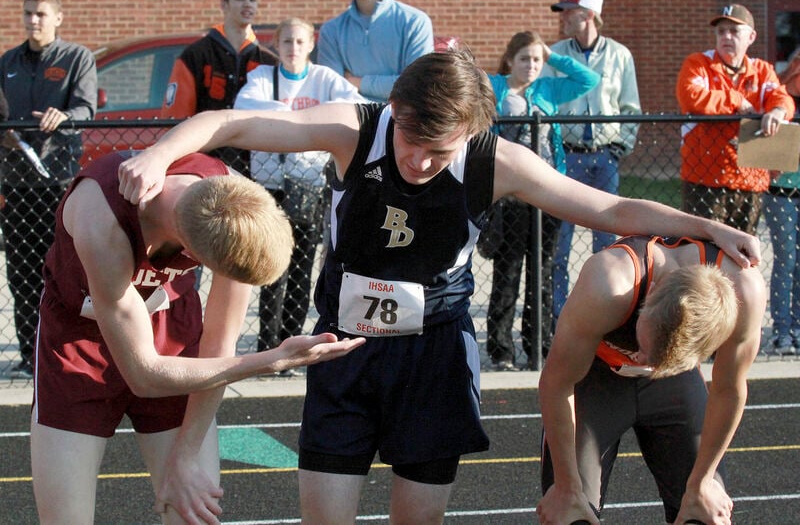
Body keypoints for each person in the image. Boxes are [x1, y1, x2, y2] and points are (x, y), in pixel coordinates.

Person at [117, 50, 761, 524]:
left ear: (470, 137)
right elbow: (229, 124)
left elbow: (609, 210)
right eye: (411, 139)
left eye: (440, 151)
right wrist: (156, 155)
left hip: (435, 356)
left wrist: (702, 224)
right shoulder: (355, 129)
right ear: (395, 111)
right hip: (342, 348)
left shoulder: (496, 162)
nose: (419, 162)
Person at [31, 150, 365, 524]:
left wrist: (186, 455)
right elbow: (144, 375)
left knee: (193, 510)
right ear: (191, 254)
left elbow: (219, 347)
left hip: (170, 326)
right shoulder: (102, 221)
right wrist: (272, 360)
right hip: (78, 341)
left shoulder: (236, 203)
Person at [536, 235, 766, 525]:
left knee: (705, 511)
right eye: (645, 349)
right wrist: (567, 487)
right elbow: (556, 383)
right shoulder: (608, 283)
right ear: (652, 293)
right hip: (597, 376)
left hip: (673, 384)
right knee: (568, 514)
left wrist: (703, 482)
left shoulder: (745, 290)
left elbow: (729, 389)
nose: (642, 362)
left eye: (657, 361)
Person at [234, 17, 364, 360]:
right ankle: (269, 343)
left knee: (302, 266)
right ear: (277, 45)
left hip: (307, 186)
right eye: (287, 42)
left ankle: (293, 342)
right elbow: (244, 106)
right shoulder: (263, 78)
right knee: (271, 265)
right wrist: (293, 116)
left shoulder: (324, 79)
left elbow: (358, 106)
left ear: (311, 45)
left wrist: (308, 119)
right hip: (270, 186)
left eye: (300, 42)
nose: (293, 49)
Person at [485, 31, 600, 370]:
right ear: (510, 60)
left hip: (547, 191)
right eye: (525, 59)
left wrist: (552, 57)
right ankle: (501, 349)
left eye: (536, 60)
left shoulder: (547, 88)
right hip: (510, 195)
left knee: (543, 270)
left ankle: (539, 344)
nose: (531, 65)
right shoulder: (496, 87)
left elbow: (588, 79)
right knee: (507, 272)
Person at [0, 0, 97, 379]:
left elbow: (87, 108)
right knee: (21, 272)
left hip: (58, 184)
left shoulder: (77, 58)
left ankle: (63, 353)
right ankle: (29, 355)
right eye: (28, 13)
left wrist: (65, 116)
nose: (33, 20)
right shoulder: (8, 61)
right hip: (17, 184)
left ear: (58, 18)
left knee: (62, 272)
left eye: (41, 14)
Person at [545, 0, 642, 327]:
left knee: (608, 245)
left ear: (587, 15)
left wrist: (619, 148)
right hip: (566, 159)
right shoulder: (555, 55)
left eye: (569, 12)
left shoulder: (619, 55)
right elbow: (545, 105)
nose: (563, 19)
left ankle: (606, 316)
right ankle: (557, 315)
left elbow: (631, 107)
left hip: (604, 158)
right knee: (559, 242)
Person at [676, 3, 796, 234]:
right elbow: (691, 97)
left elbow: (781, 97)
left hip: (750, 181)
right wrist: (736, 100)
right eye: (721, 31)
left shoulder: (761, 70)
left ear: (751, 37)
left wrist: (778, 111)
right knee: (702, 257)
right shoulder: (699, 64)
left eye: (734, 31)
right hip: (704, 181)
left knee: (743, 258)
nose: (726, 37)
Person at [161, 0, 278, 177]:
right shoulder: (195, 55)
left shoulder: (268, 60)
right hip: (205, 159)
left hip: (257, 164)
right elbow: (176, 115)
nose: (247, 5)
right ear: (224, 4)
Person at [316, 0, 434, 102]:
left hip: (402, 120)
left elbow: (417, 85)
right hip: (351, 119)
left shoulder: (415, 21)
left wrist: (359, 82)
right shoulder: (331, 31)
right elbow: (331, 89)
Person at [761, 55, 800, 356]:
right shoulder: (781, 93)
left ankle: (797, 327)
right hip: (780, 190)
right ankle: (781, 330)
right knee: (785, 260)